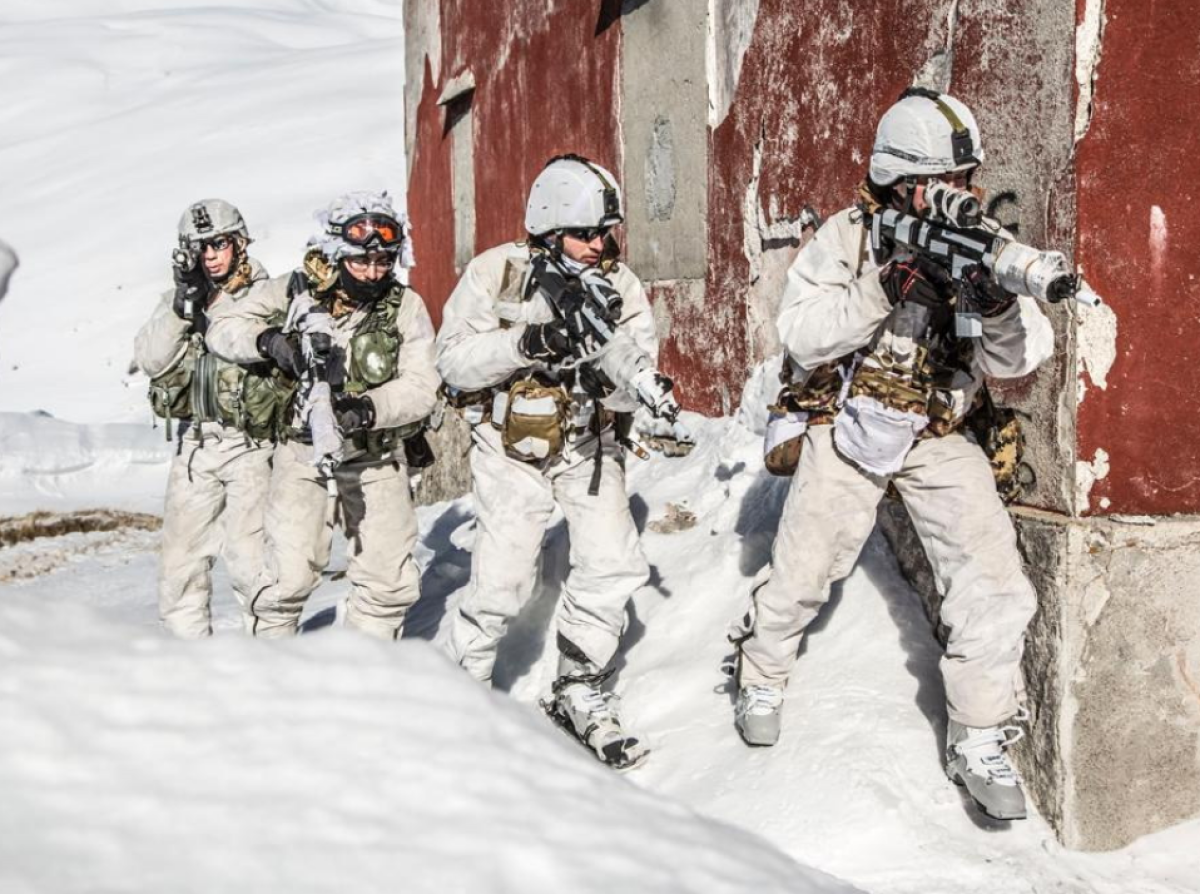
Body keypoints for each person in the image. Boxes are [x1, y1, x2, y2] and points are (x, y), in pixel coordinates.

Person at [730, 89, 1054, 820]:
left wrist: (997, 304)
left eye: (968, 178)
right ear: (900, 179)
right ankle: (762, 669)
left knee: (995, 580)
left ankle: (977, 732)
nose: (962, 193)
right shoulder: (849, 237)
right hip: (847, 422)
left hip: (935, 429)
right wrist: (883, 290)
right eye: (946, 179)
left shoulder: (980, 239)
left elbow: (1020, 357)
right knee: (806, 566)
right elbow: (804, 336)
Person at [436, 155, 663, 770]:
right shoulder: (497, 272)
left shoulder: (621, 286)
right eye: (585, 233)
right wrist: (525, 343)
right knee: (503, 577)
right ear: (548, 226)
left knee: (614, 564)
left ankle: (580, 684)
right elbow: (452, 360)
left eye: (605, 233)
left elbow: (635, 365)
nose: (598, 244)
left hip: (589, 443)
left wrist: (613, 379)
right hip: (509, 447)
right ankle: (463, 693)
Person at [206, 191, 439, 640]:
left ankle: (362, 678)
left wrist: (367, 409)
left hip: (375, 455)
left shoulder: (404, 307)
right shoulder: (294, 289)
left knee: (387, 582)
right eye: (361, 261)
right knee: (286, 579)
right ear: (337, 252)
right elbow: (224, 328)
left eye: (384, 261)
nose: (373, 273)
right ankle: (271, 674)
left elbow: (422, 386)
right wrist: (271, 342)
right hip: (302, 454)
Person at [134, 199, 286, 638]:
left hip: (252, 445)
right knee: (180, 568)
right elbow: (150, 358)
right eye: (200, 247)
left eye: (219, 243)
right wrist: (183, 307)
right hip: (195, 445)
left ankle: (271, 666)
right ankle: (190, 673)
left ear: (239, 243)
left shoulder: (267, 295)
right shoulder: (181, 302)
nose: (211, 255)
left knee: (252, 565)